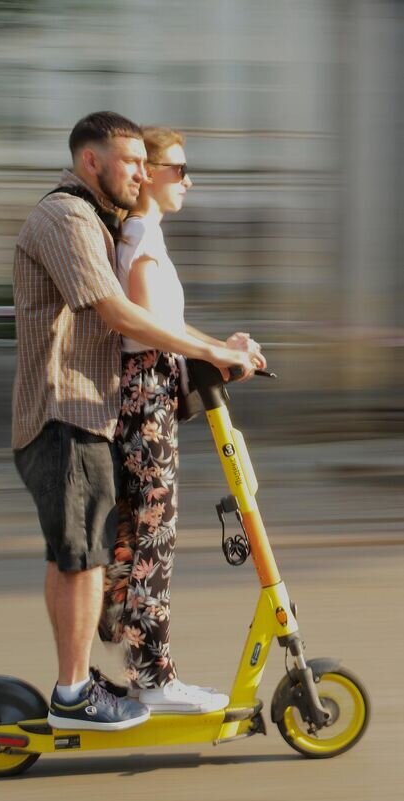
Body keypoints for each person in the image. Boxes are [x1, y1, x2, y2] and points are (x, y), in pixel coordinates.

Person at [11, 112, 262, 731]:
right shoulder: (66, 216)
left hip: (89, 411)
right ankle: (76, 695)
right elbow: (119, 314)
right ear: (91, 160)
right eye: (133, 163)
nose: (144, 174)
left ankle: (117, 673)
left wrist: (214, 351)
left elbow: (152, 325)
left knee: (102, 548)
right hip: (61, 408)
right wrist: (213, 352)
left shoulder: (101, 221)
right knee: (83, 552)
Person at [98, 126, 264, 713]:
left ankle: (133, 644)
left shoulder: (149, 238)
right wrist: (214, 352)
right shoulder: (139, 237)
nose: (188, 180)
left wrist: (223, 347)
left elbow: (168, 328)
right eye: (179, 169)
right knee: (153, 535)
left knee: (146, 531)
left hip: (153, 392)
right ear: (148, 174)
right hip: (144, 397)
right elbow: (144, 328)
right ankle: (153, 676)